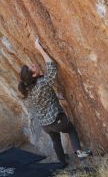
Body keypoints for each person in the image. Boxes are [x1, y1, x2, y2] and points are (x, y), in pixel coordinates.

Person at [18, 38, 92, 167]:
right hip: (56, 120)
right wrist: (40, 49)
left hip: (46, 125)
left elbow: (44, 98)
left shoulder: (28, 90)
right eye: (33, 67)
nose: (34, 64)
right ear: (34, 75)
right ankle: (79, 153)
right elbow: (52, 69)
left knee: (55, 140)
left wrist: (56, 97)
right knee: (71, 130)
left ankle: (62, 162)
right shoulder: (41, 84)